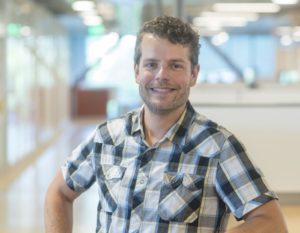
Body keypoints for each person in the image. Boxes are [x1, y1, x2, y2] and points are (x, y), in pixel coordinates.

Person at [44, 15, 288, 233]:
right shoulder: (107, 137)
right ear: (137, 71)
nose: (162, 75)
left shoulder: (217, 147)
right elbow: (59, 193)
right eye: (151, 64)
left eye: (175, 65)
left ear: (194, 74)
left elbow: (271, 223)